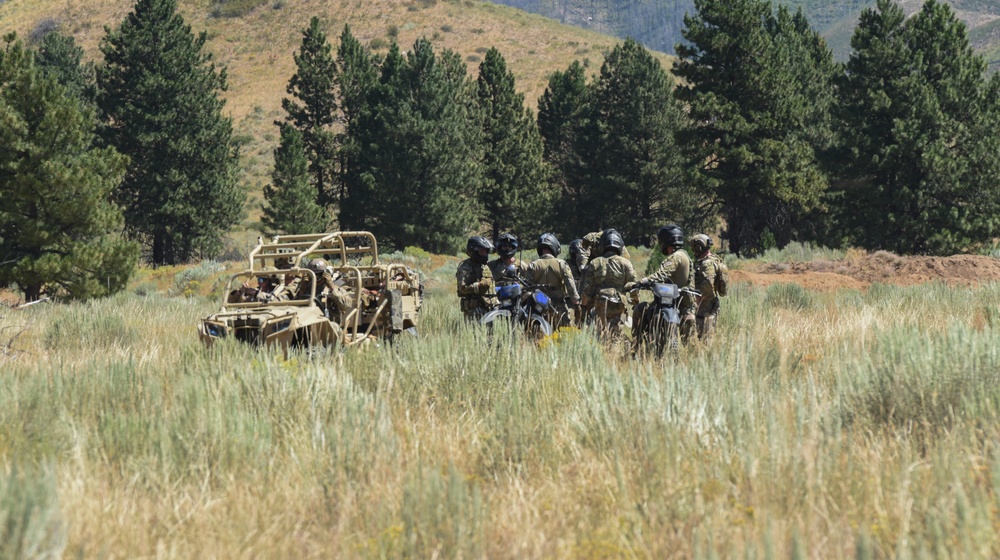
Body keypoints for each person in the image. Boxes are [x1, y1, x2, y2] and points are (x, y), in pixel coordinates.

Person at [633, 224, 696, 342]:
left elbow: (661, 274)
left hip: (676, 302)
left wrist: (643, 282)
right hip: (685, 303)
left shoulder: (676, 256)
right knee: (690, 341)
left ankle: (637, 345)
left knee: (640, 309)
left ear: (665, 241)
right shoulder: (684, 255)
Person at [579, 229, 635, 340]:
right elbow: (633, 286)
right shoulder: (626, 263)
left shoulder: (595, 262)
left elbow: (587, 291)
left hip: (599, 305)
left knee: (598, 334)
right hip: (618, 305)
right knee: (616, 333)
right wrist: (635, 301)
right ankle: (615, 353)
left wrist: (584, 308)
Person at [527, 232, 580, 328]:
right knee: (563, 334)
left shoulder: (533, 265)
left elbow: (528, 288)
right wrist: (576, 302)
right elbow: (570, 286)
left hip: (540, 306)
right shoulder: (562, 264)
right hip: (558, 306)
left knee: (539, 336)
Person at [690, 233, 722, 344]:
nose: (694, 251)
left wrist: (698, 298)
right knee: (703, 336)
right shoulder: (708, 260)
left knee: (706, 338)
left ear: (699, 247)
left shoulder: (707, 263)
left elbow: (708, 285)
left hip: (706, 305)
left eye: (694, 248)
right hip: (706, 304)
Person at [456, 236, 498, 321]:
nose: (484, 254)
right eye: (481, 251)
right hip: (473, 309)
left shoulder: (485, 266)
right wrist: (480, 285)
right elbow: (462, 289)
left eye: (486, 251)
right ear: (473, 251)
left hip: (489, 306)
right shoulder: (466, 267)